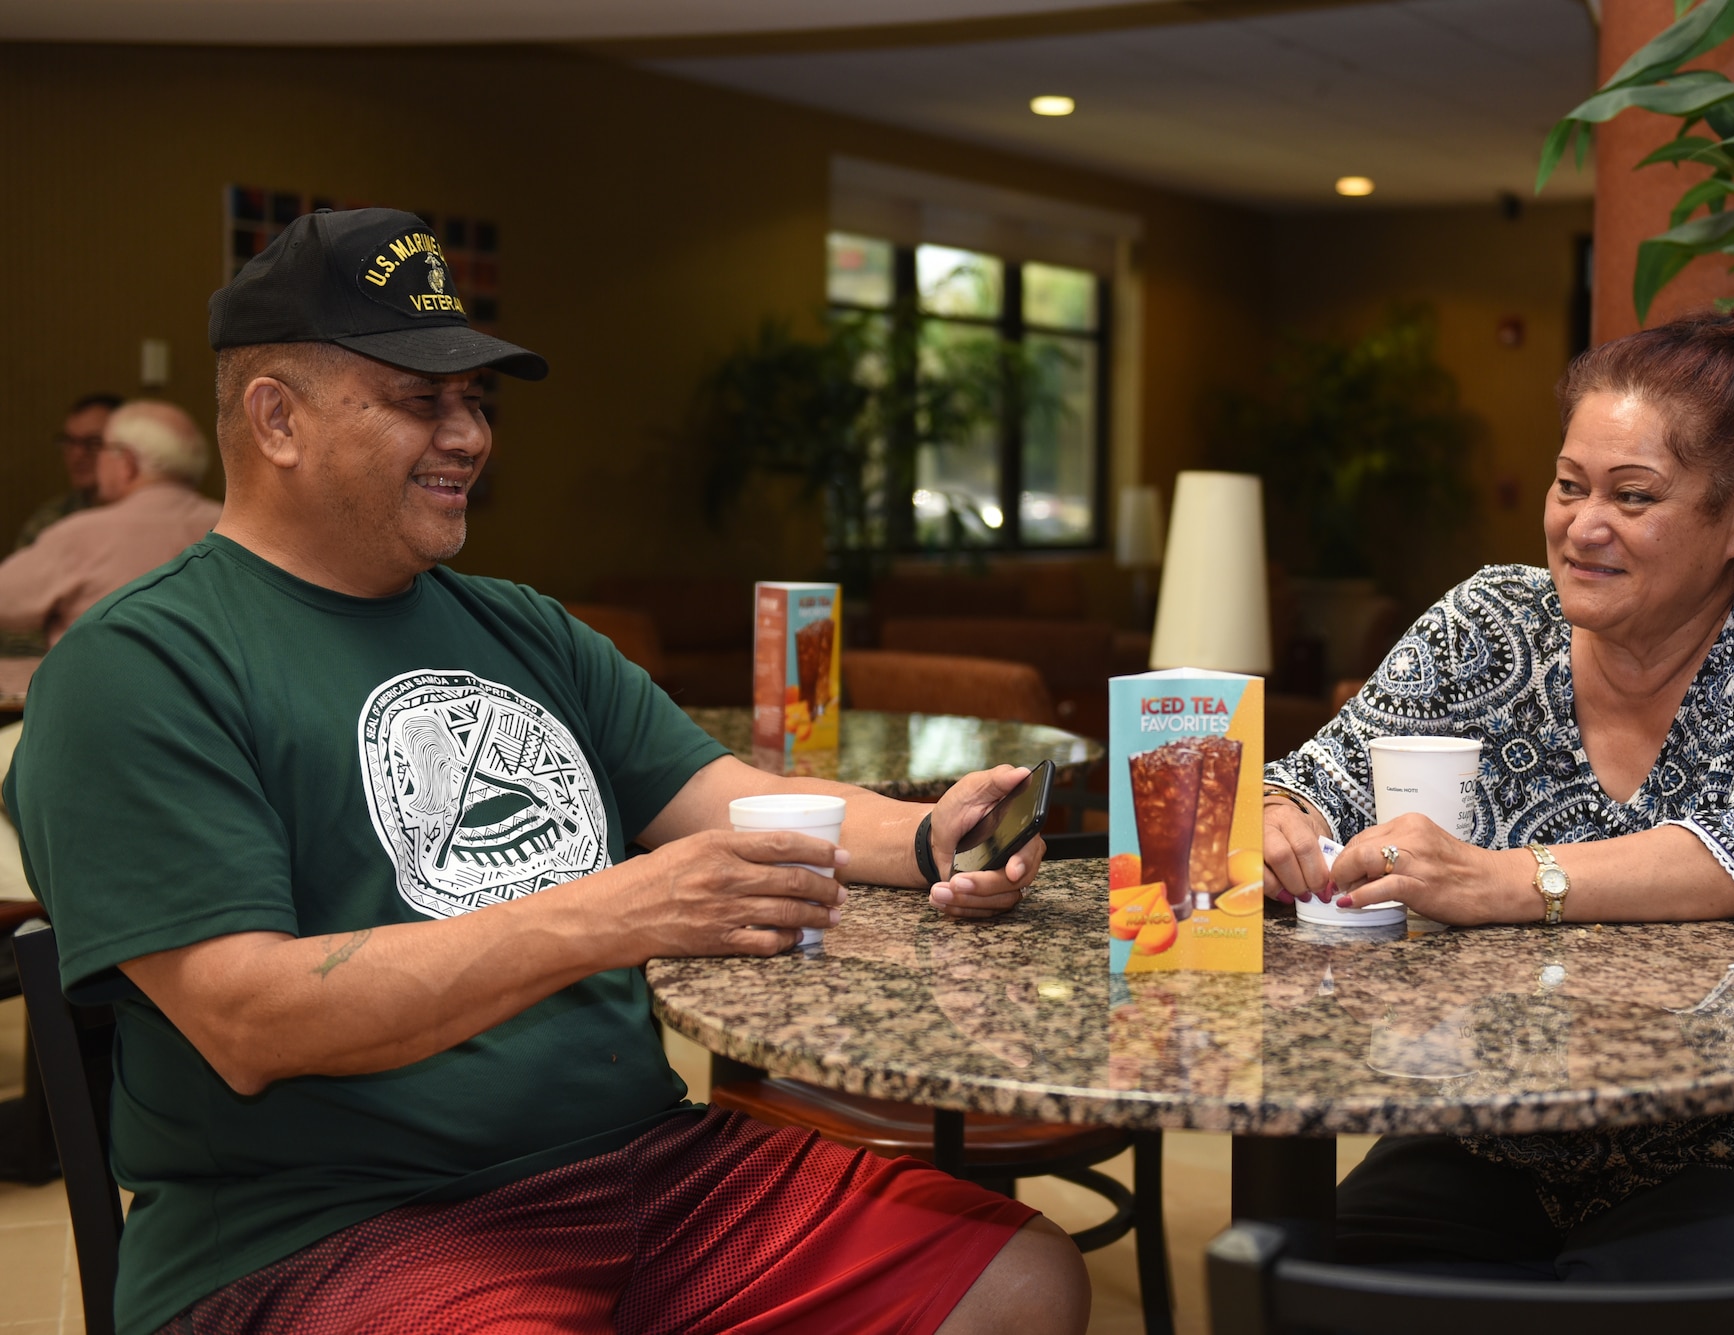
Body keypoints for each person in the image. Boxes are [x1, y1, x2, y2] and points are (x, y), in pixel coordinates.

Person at [4, 208, 1088, 1335]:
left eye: (475, 401)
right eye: (421, 400)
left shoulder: (521, 626)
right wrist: (610, 912)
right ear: (276, 419)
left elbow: (713, 795)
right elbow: (248, 1018)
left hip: (648, 1166)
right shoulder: (134, 668)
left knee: (1018, 1278)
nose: (468, 434)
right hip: (325, 1232)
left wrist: (922, 836)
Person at [1261, 302, 1734, 1280]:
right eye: (1568, 486)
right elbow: (1306, 782)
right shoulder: (1486, 621)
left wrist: (1504, 881)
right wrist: (1279, 819)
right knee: (1316, 1285)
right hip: (1491, 1132)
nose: (1582, 526)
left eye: (1632, 496)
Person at [0, 401, 222, 647]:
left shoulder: (80, 534)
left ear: (127, 463)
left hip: (95, 681)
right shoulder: (230, 525)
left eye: (101, 448)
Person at [15, 391, 123, 552]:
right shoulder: (50, 521)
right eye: (69, 442)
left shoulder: (151, 517)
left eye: (93, 443)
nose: (76, 455)